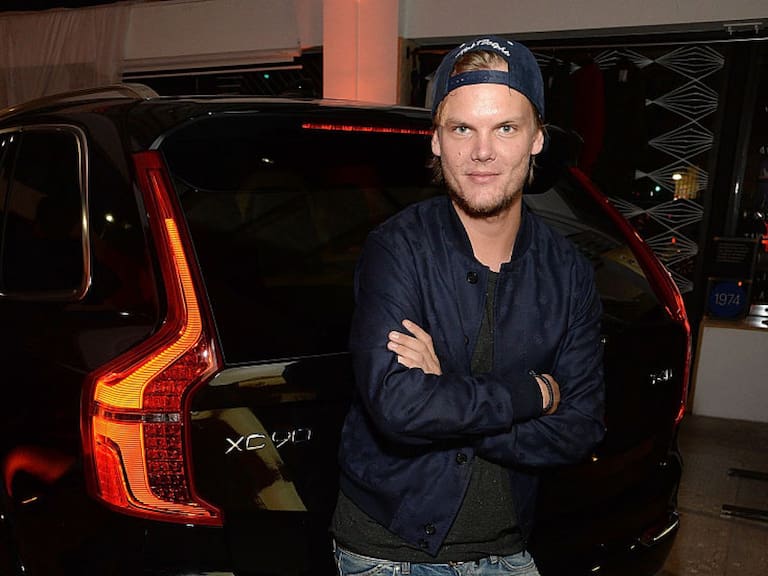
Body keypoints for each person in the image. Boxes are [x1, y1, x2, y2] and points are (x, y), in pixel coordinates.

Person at [330, 35, 606, 576]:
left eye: (505, 128)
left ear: (536, 139)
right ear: (436, 140)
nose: (482, 151)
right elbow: (400, 409)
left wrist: (447, 397)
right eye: (462, 128)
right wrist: (532, 394)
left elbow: (580, 428)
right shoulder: (398, 249)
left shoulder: (568, 270)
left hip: (510, 549)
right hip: (389, 555)